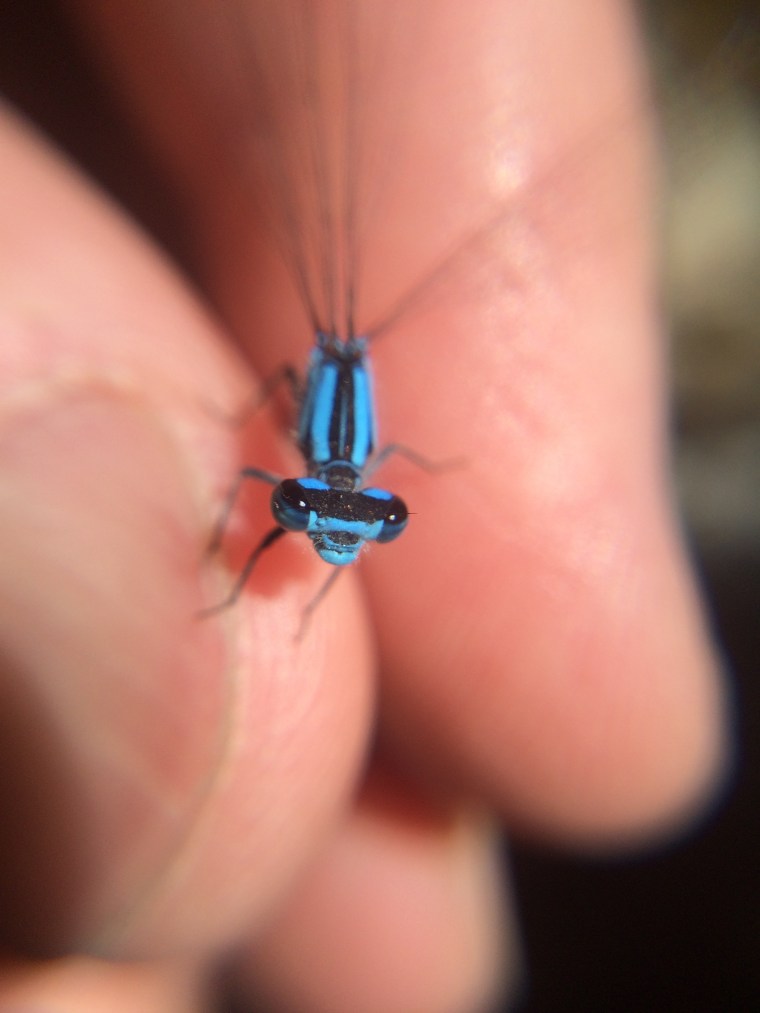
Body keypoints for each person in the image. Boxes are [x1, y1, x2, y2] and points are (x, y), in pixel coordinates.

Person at [0, 2, 726, 1010]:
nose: (337, 526)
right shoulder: (303, 478)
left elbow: (324, 490)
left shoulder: (327, 482)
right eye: (341, 514)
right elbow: (271, 483)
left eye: (352, 517)